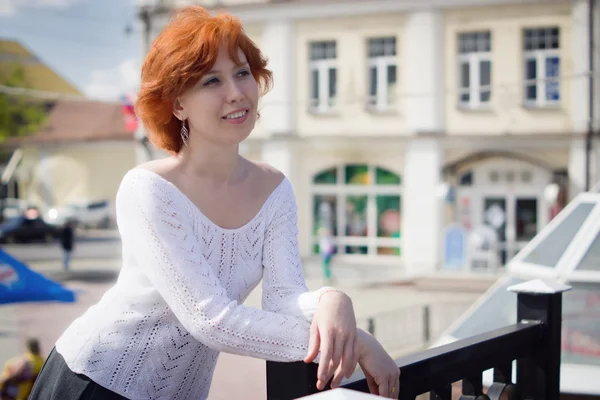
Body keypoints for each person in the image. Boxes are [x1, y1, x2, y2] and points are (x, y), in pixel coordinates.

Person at [29, 6, 400, 399]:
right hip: (95, 382)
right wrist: (354, 342)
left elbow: (283, 301)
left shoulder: (274, 188)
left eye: (243, 73)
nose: (236, 93)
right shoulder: (148, 189)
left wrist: (331, 300)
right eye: (211, 81)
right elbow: (210, 319)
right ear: (177, 105)